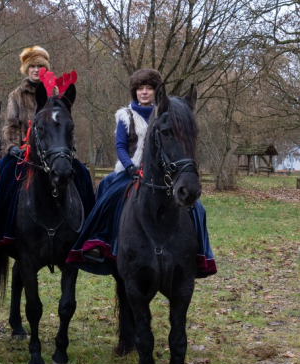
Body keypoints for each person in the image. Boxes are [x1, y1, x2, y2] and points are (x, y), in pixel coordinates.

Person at [67, 69, 216, 277]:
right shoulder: (125, 116)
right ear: (134, 92)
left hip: (161, 171)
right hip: (130, 169)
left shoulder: (168, 113)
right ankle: (99, 240)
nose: (144, 92)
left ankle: (199, 251)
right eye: (140, 89)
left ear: (156, 91)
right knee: (106, 190)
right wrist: (129, 167)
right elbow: (120, 146)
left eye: (149, 88)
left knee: (197, 207)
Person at [0, 46, 95, 248]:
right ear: (26, 69)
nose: (36, 70)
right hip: (24, 152)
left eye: (40, 66)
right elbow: (11, 124)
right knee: (2, 176)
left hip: (55, 151)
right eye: (32, 66)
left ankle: (89, 234)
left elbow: (65, 125)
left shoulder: (57, 94)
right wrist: (13, 146)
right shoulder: (16, 95)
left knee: (81, 174)